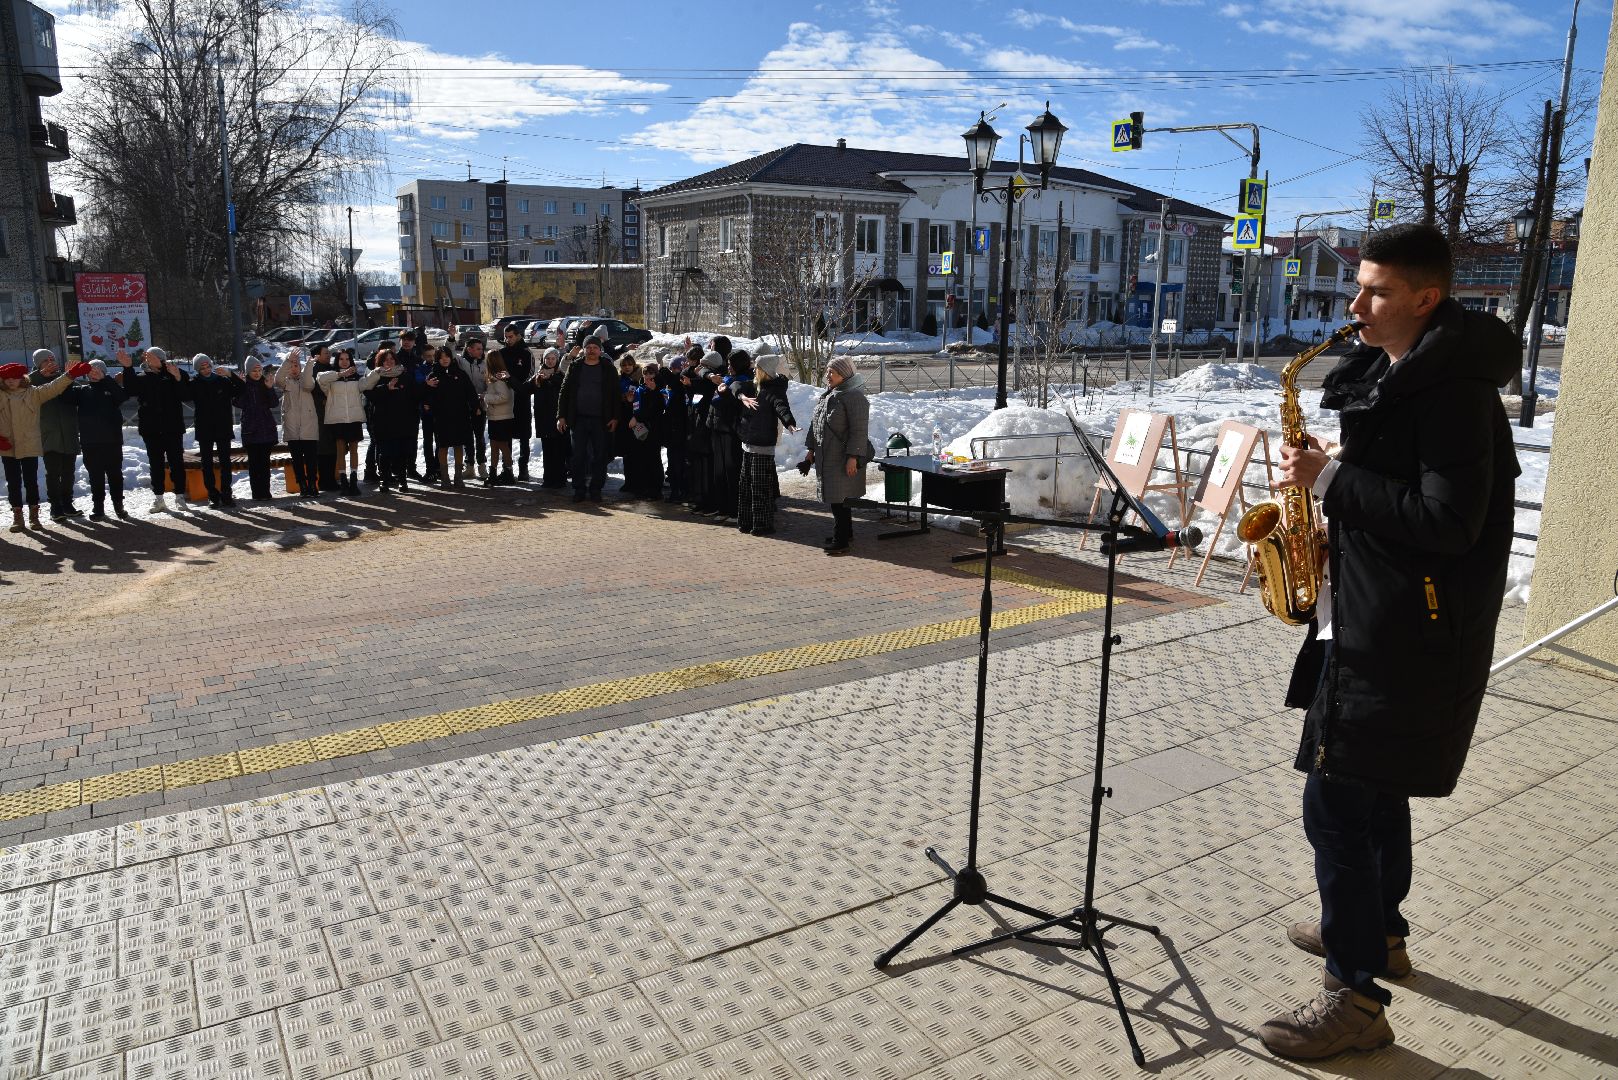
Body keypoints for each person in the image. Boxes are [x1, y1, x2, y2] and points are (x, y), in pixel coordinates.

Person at [1261, 223, 1520, 1061]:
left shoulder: (1452, 396)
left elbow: (1449, 523)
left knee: (1334, 809)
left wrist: (1332, 481)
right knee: (1377, 795)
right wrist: (1330, 524)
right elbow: (1404, 501)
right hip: (1375, 617)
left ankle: (1356, 996)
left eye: (1374, 291)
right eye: (1357, 286)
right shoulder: (1407, 374)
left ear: (1425, 298)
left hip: (1401, 639)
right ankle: (1385, 936)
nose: (1355, 304)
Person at [1, 359, 87, 531]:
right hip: (7, 446)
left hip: (29, 444)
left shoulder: (33, 393)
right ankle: (18, 517)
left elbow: (53, 387)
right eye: (7, 378)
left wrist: (69, 375)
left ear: (22, 378)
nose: (11, 381)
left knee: (31, 482)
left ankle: (34, 516)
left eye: (15, 377)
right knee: (13, 482)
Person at [802, 356, 870, 556]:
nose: (827, 375)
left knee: (840, 499)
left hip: (842, 458)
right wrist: (811, 451)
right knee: (838, 498)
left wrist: (853, 457)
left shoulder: (854, 397)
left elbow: (859, 431)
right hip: (828, 456)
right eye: (828, 371)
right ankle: (845, 533)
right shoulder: (830, 394)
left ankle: (840, 540)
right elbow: (816, 425)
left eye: (832, 372)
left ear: (844, 375)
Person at [117, 347, 190, 513]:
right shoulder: (142, 377)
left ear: (162, 359)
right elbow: (130, 390)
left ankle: (180, 496)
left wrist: (176, 376)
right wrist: (128, 368)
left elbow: (185, 395)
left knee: (176, 463)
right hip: (151, 429)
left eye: (155, 358)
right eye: (148, 358)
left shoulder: (174, 373)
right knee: (155, 464)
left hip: (173, 428)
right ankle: (159, 498)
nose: (150, 360)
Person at [733, 352, 797, 536]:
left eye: (757, 368)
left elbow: (781, 407)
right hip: (748, 443)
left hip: (763, 447)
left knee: (760, 488)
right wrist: (741, 397)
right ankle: (745, 522)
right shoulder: (753, 386)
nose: (754, 370)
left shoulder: (774, 390)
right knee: (745, 486)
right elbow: (735, 384)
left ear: (764, 371)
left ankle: (762, 525)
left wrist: (790, 423)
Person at [556, 337, 619, 503]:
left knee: (600, 456)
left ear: (600, 350)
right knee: (578, 456)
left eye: (594, 347)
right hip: (578, 420)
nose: (591, 350)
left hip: (601, 420)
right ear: (584, 349)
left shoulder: (608, 368)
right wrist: (561, 416)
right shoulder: (575, 366)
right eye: (588, 347)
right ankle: (579, 489)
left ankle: (596, 489)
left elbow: (615, 394)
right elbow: (565, 391)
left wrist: (615, 417)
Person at [316, 349, 383, 495]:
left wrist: (377, 371)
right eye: (341, 359)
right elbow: (320, 378)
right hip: (337, 419)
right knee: (340, 451)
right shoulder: (331, 379)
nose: (344, 362)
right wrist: (340, 374)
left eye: (347, 359)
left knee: (354, 450)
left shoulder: (356, 379)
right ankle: (343, 480)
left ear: (351, 361)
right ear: (337, 361)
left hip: (353, 419)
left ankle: (353, 481)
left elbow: (367, 383)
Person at [69, 360, 129, 520]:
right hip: (90, 442)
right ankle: (98, 507)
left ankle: (119, 505)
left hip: (112, 441)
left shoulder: (111, 388)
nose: (94, 373)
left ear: (104, 372)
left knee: (115, 475)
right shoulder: (81, 391)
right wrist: (68, 376)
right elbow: (63, 397)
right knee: (95, 476)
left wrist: (106, 379)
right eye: (91, 370)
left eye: (98, 371)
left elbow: (122, 397)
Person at [28, 350, 81, 519]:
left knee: (68, 472)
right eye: (45, 360)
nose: (50, 362)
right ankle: (55, 507)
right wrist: (39, 375)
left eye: (52, 359)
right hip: (49, 435)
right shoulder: (32, 382)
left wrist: (70, 375)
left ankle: (67, 503)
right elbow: (23, 387)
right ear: (38, 364)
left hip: (69, 433)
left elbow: (79, 392)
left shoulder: (66, 378)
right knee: (53, 473)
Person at [188, 354, 243, 508]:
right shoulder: (194, 383)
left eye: (208, 367)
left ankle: (226, 494)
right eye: (202, 368)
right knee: (207, 463)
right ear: (197, 370)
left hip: (223, 427)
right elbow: (183, 395)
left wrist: (231, 375)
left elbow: (241, 389)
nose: (206, 370)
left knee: (225, 462)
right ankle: (213, 495)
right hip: (204, 428)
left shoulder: (223, 381)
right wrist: (179, 377)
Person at [365, 348, 418, 493]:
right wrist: (386, 388)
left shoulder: (405, 375)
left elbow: (414, 395)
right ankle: (384, 481)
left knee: (402, 452)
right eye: (385, 360)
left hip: (402, 420)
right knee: (385, 453)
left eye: (391, 359)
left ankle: (403, 481)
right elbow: (369, 394)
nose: (389, 362)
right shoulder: (376, 376)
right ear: (380, 362)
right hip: (383, 420)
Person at [423, 346, 476, 488]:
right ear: (437, 359)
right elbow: (426, 395)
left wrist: (475, 407)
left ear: (451, 357)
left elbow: (470, 392)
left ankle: (458, 477)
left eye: (447, 356)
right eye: (441, 357)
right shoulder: (433, 375)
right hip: (441, 417)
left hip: (460, 415)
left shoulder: (460, 373)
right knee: (443, 446)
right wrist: (427, 401)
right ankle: (444, 477)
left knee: (459, 445)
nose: (444, 359)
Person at [705, 351, 751, 518]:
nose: (729, 368)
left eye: (732, 365)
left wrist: (725, 393)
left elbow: (735, 403)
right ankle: (722, 506)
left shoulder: (743, 382)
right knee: (719, 472)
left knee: (731, 472)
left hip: (731, 433)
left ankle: (734, 510)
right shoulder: (727, 379)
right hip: (718, 428)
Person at [276, 348, 321, 498]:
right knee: (297, 460)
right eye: (291, 365)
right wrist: (288, 360)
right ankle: (302, 485)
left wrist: (309, 366)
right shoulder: (285, 382)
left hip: (309, 427)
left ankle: (312, 485)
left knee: (311, 459)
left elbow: (309, 384)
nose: (294, 368)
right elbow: (278, 379)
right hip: (292, 427)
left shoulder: (306, 380)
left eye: (296, 365)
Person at [237, 358, 279, 501]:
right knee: (254, 465)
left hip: (266, 429)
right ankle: (256, 493)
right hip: (250, 430)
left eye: (259, 370)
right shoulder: (244, 384)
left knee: (265, 464)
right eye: (254, 371)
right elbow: (238, 403)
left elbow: (274, 403)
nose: (257, 373)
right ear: (248, 371)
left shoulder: (265, 383)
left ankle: (266, 492)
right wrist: (240, 386)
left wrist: (269, 388)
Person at [496, 326, 535, 480]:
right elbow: (495, 372)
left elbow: (529, 377)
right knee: (506, 436)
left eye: (511, 336)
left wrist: (512, 382)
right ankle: (507, 468)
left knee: (524, 436)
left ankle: (523, 468)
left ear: (518, 336)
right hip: (505, 400)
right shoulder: (502, 352)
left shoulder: (526, 353)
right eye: (506, 337)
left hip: (521, 399)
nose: (508, 340)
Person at [625, 362, 667, 499]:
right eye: (645, 373)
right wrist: (630, 401)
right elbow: (637, 407)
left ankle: (655, 490)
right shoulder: (640, 388)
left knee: (653, 459)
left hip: (653, 429)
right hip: (640, 429)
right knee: (642, 458)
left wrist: (636, 417)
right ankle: (643, 488)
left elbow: (655, 409)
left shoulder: (660, 389)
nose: (648, 376)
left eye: (651, 373)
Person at [531, 347, 569, 489]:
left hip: (558, 419)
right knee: (547, 451)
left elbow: (563, 387)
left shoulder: (561, 375)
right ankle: (548, 479)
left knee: (559, 451)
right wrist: (509, 379)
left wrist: (550, 378)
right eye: (548, 358)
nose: (550, 361)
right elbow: (525, 389)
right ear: (543, 359)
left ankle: (560, 479)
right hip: (543, 419)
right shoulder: (538, 376)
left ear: (557, 360)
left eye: (553, 358)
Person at [458, 337, 490, 482]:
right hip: (464, 406)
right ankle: (469, 465)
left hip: (480, 406)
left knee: (479, 436)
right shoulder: (461, 362)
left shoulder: (485, 364)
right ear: (469, 349)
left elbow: (489, 384)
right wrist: (452, 338)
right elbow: (449, 352)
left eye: (481, 348)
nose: (480, 351)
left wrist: (484, 396)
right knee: (467, 436)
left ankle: (482, 465)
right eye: (477, 348)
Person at [482, 351, 515, 485]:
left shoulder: (499, 377)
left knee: (502, 445)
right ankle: (493, 473)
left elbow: (504, 396)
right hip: (496, 416)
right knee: (495, 446)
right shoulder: (499, 376)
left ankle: (508, 472)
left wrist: (486, 397)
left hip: (502, 417)